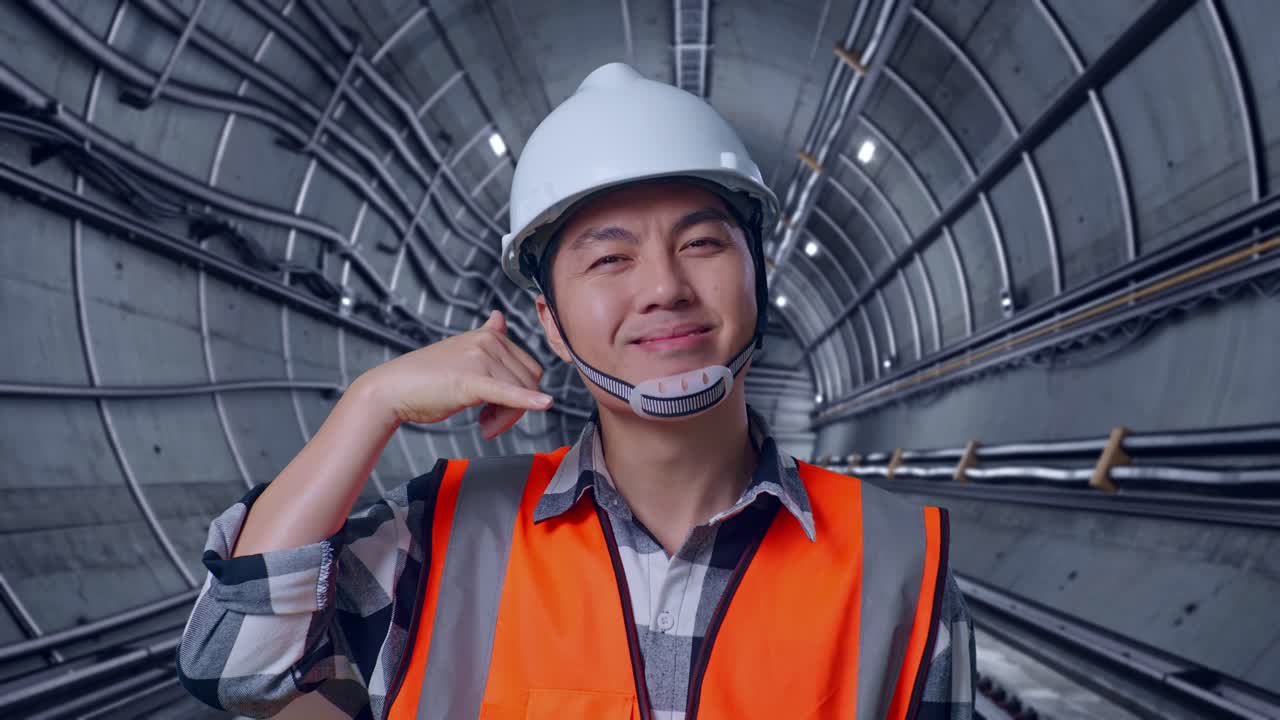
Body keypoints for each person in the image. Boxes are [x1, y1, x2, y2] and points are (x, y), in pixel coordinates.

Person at [177, 62, 975, 720]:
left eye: (701, 243)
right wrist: (372, 400)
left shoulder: (900, 559)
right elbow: (232, 665)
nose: (665, 286)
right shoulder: (442, 534)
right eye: (609, 259)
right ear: (551, 324)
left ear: (759, 280)